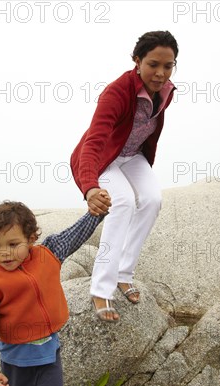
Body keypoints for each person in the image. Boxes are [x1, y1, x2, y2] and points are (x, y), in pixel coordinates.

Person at [70, 30, 178, 322]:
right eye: (153, 64)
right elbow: (94, 142)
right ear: (137, 61)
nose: (160, 73)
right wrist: (91, 187)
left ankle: (123, 272)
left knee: (153, 200)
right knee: (123, 202)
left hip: (132, 156)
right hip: (104, 156)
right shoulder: (117, 92)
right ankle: (101, 289)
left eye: (168, 66)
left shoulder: (165, 92)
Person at [0, 200, 107, 386]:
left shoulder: (48, 254)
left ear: (31, 239)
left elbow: (74, 235)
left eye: (13, 244)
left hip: (49, 356)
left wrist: (96, 213)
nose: (4, 253)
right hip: (15, 364)